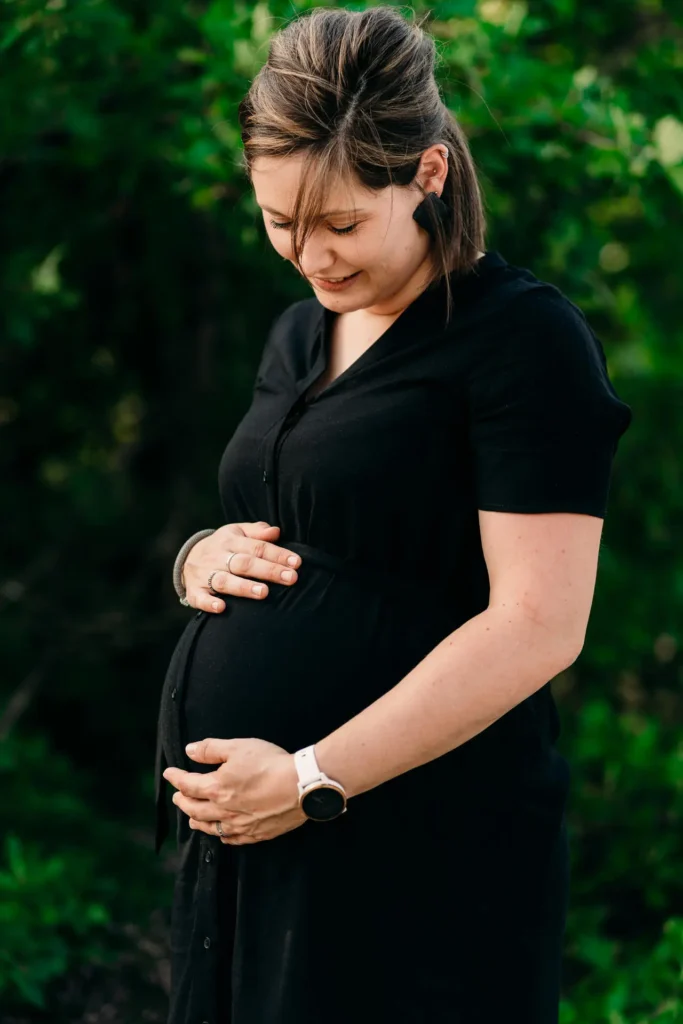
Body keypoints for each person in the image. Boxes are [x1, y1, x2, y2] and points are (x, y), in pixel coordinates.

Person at [153, 7, 633, 1024]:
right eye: (280, 222)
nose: (309, 257)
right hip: (251, 844)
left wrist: (313, 777)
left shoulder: (519, 341)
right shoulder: (297, 334)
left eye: (338, 225)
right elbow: (302, 527)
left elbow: (539, 623)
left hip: (413, 837)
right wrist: (199, 557)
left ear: (426, 175)